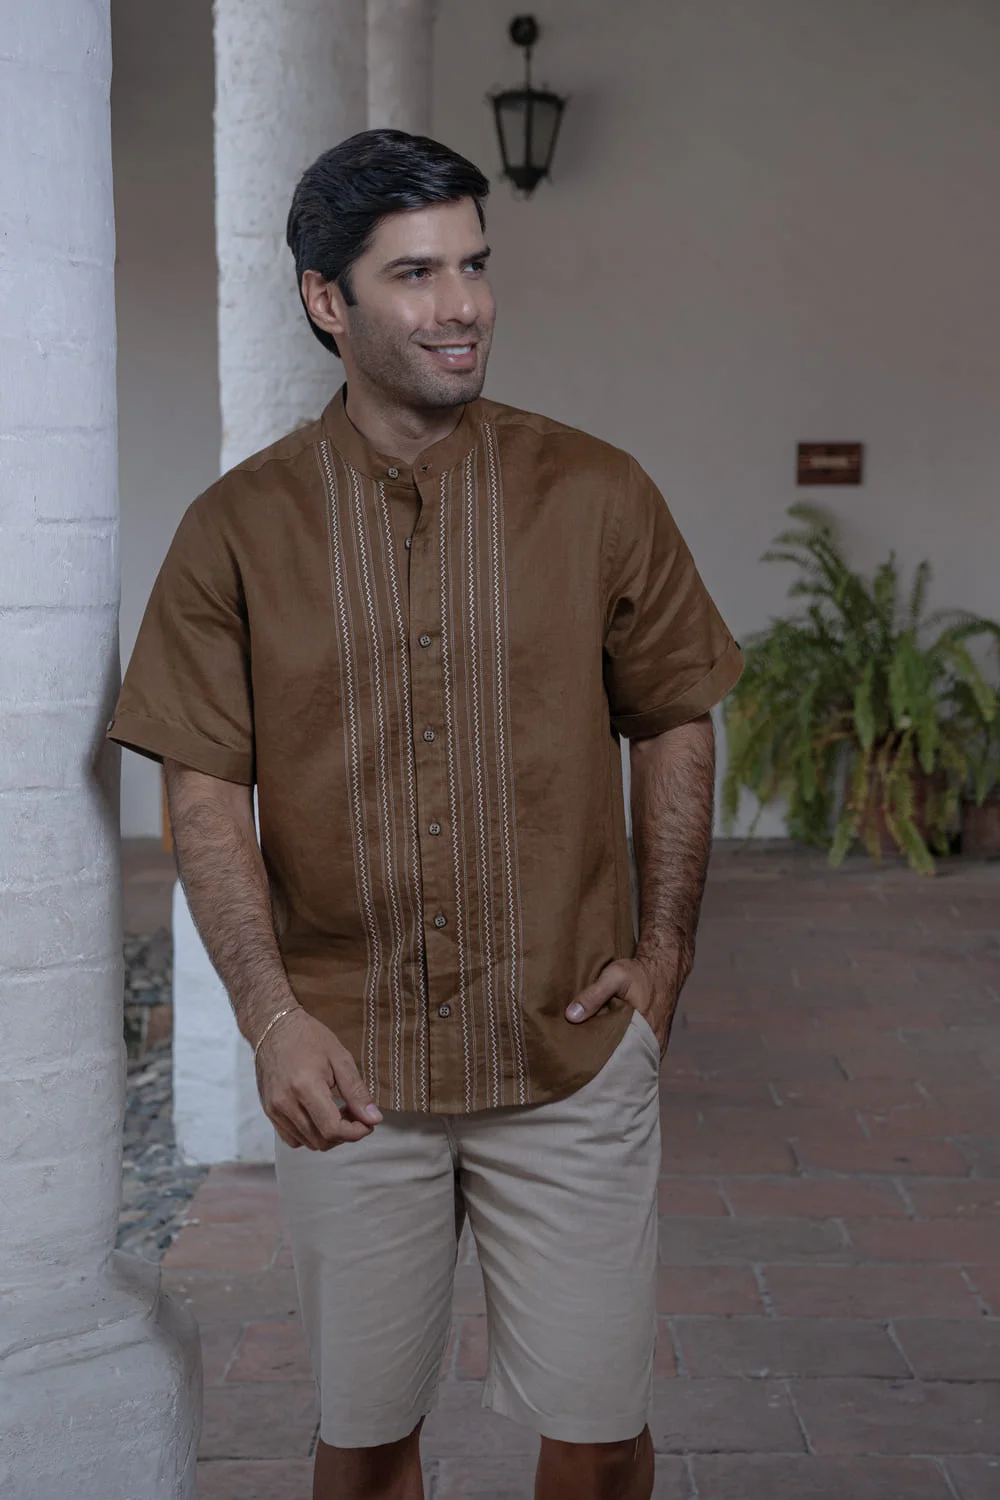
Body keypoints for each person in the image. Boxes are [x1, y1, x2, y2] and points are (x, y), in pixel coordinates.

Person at [109, 128, 743, 1500]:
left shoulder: (599, 492)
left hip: (569, 1041)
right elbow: (204, 788)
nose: (463, 306)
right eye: (414, 274)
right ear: (326, 300)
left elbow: (675, 713)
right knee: (362, 1441)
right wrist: (270, 1018)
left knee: (600, 1432)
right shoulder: (235, 530)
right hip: (353, 1066)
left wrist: (666, 953)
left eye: (473, 265)